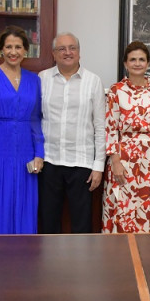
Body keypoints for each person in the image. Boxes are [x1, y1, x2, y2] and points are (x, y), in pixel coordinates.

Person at [0, 25, 44, 234]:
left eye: (18, 47)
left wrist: (39, 153)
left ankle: (22, 261)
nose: (14, 52)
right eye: (9, 47)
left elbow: (35, 119)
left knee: (22, 207)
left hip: (25, 156)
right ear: (1, 50)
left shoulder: (34, 80)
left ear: (26, 50)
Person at [39, 33, 105, 233]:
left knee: (81, 223)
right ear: (53, 54)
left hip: (81, 163)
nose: (67, 52)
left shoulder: (93, 81)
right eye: (62, 49)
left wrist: (98, 166)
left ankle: (81, 264)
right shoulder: (42, 78)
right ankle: (49, 264)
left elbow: (100, 126)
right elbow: (34, 119)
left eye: (72, 48)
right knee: (48, 220)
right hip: (48, 161)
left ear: (79, 52)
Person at [102, 41, 150, 232]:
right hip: (123, 159)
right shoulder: (116, 91)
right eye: (133, 59)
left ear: (148, 63)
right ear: (125, 63)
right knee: (123, 207)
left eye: (142, 59)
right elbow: (110, 128)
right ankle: (120, 257)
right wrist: (115, 161)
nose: (137, 63)